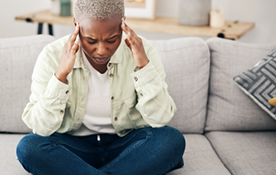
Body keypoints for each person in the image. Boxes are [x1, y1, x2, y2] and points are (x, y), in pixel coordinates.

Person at [16, 0, 185, 174]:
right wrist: (60, 75)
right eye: (91, 40)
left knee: (171, 140)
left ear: (122, 24)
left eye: (112, 40)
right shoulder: (51, 56)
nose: (102, 50)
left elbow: (161, 119)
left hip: (125, 145)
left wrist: (143, 67)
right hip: (75, 148)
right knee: (29, 147)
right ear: (76, 24)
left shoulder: (143, 51)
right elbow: (40, 127)